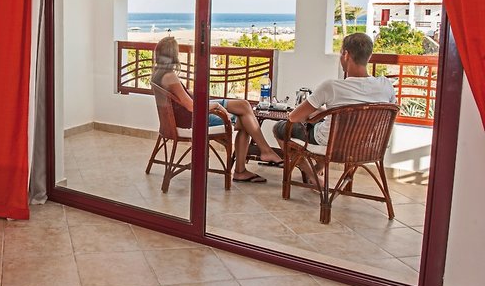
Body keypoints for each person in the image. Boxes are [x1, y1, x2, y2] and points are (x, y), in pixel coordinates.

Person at [151, 37, 281, 183]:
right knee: (245, 120)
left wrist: (200, 95)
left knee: (244, 106)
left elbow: (182, 96)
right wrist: (216, 106)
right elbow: (191, 106)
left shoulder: (158, 75)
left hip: (187, 116)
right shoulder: (170, 76)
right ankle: (247, 166)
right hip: (193, 119)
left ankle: (262, 153)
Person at [272, 33, 396, 181]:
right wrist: (325, 112)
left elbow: (294, 117)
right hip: (369, 144)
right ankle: (318, 168)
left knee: (280, 128)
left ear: (346, 55)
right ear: (369, 56)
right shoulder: (385, 84)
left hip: (333, 143)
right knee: (323, 122)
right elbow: (384, 115)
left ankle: (312, 176)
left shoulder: (331, 86)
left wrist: (312, 114)